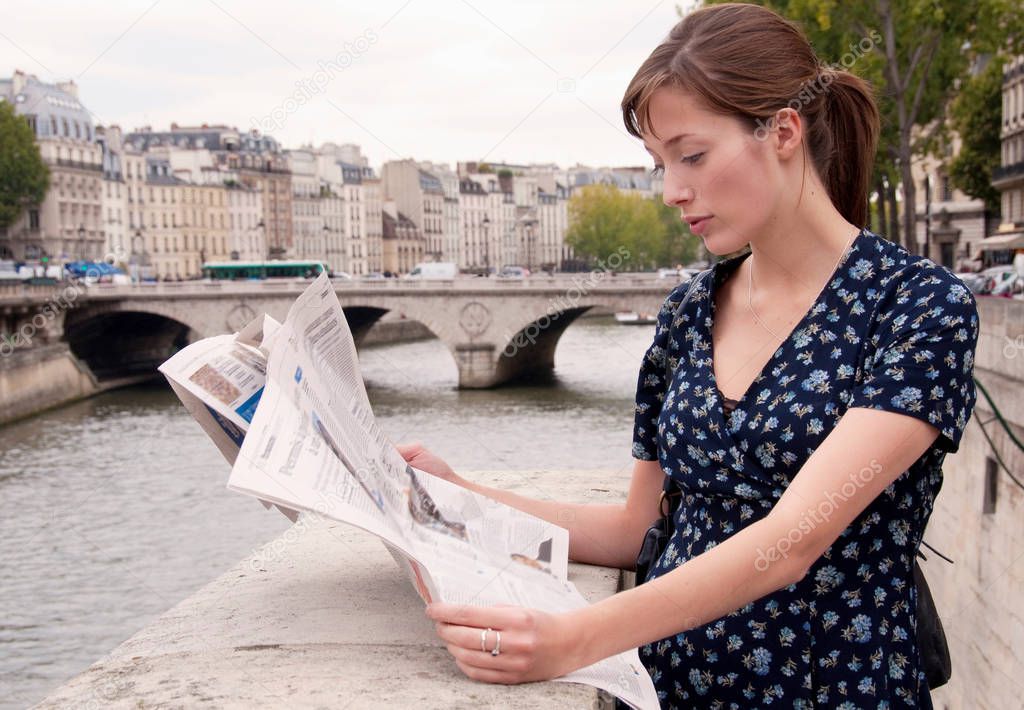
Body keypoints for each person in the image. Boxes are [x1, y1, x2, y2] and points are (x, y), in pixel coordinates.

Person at [397, 4, 979, 707]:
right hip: (668, 691)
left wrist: (575, 637)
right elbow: (638, 529)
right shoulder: (686, 314)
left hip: (828, 691)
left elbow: (791, 540)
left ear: (783, 132)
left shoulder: (919, 308)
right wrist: (461, 496)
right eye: (660, 163)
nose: (673, 190)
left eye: (691, 155)